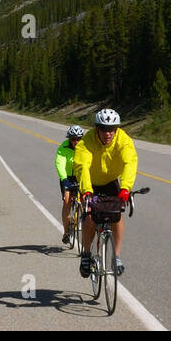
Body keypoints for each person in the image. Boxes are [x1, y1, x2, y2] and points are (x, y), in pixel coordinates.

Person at [73, 108, 137, 278]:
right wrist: (86, 191)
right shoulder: (87, 141)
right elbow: (82, 166)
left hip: (110, 182)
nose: (108, 133)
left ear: (116, 129)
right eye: (103, 129)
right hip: (90, 184)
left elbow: (129, 162)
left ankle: (116, 257)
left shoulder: (123, 139)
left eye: (112, 129)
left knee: (117, 215)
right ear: (96, 129)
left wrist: (126, 187)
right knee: (89, 217)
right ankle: (86, 254)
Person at [55, 125, 85, 244]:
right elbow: (59, 163)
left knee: (84, 200)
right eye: (73, 139)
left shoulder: (85, 147)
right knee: (67, 201)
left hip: (81, 176)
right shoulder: (64, 146)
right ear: (69, 138)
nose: (75, 141)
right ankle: (66, 232)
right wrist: (64, 179)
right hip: (67, 177)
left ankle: (79, 220)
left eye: (78, 139)